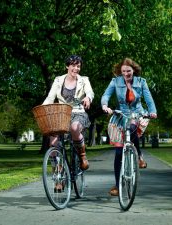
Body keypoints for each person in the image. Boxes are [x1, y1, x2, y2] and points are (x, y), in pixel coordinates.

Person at [101, 57, 157, 196]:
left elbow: (148, 98)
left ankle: (138, 156)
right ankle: (117, 184)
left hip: (137, 114)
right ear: (120, 72)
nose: (126, 74)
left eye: (129, 71)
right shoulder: (115, 81)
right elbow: (106, 94)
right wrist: (105, 105)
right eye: (123, 71)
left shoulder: (141, 82)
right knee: (119, 152)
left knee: (132, 128)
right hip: (121, 115)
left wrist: (153, 111)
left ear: (134, 70)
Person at [43, 55, 94, 173]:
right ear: (67, 66)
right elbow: (50, 98)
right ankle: (58, 174)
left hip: (78, 113)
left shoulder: (84, 80)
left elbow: (90, 92)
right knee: (53, 142)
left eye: (78, 66)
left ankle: (82, 156)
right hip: (62, 114)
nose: (76, 68)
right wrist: (43, 109)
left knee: (74, 128)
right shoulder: (58, 80)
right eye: (73, 65)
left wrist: (88, 98)